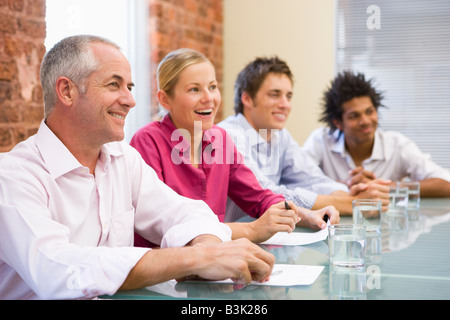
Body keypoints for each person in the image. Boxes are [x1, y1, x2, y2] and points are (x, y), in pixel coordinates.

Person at [0, 36, 278, 300]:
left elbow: (184, 211)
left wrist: (205, 246)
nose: (130, 100)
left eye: (129, 88)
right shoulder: (13, 176)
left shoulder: (122, 158)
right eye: (113, 85)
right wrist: (196, 258)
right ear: (67, 91)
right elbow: (57, 269)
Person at [130, 49, 339, 247]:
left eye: (212, 87)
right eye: (194, 89)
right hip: (164, 274)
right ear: (165, 99)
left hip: (213, 263)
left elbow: (258, 196)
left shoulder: (219, 139)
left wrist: (305, 215)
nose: (209, 98)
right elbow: (169, 227)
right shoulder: (148, 141)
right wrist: (253, 230)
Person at [218, 57, 390, 219]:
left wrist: (347, 195)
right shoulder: (229, 136)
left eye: (289, 96)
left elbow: (314, 179)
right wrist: (355, 204)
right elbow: (268, 196)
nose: (285, 104)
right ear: (247, 98)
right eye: (274, 94)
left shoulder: (280, 136)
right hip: (229, 242)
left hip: (266, 238)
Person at [302, 71, 450, 197]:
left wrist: (384, 187)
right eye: (354, 116)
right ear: (338, 123)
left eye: (369, 112)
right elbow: (294, 184)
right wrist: (346, 186)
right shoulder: (320, 141)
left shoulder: (397, 144)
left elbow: (445, 183)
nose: (365, 121)